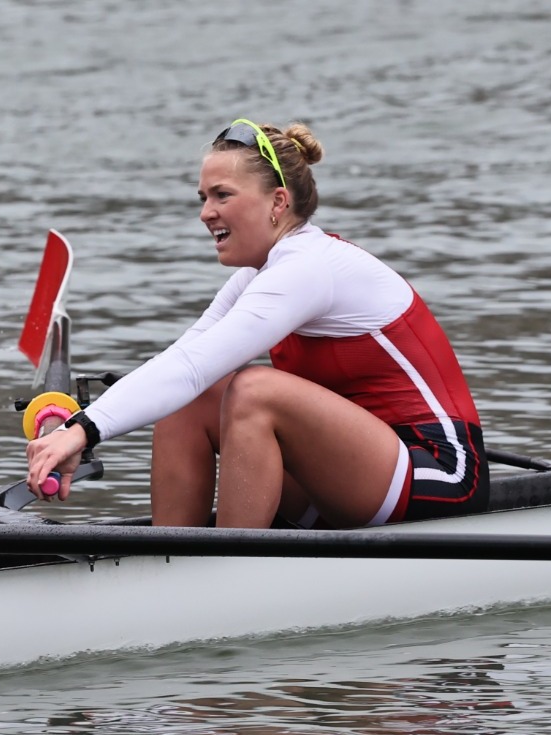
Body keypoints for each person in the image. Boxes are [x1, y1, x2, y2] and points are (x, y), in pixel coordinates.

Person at [25, 119, 488, 529]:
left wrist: (85, 430)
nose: (206, 212)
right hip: (345, 477)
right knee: (191, 399)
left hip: (439, 476)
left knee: (252, 390)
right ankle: (169, 561)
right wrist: (77, 426)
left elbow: (192, 366)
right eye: (204, 197)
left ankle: (226, 579)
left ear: (278, 202)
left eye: (223, 195)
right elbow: (182, 363)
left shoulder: (309, 266)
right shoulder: (259, 275)